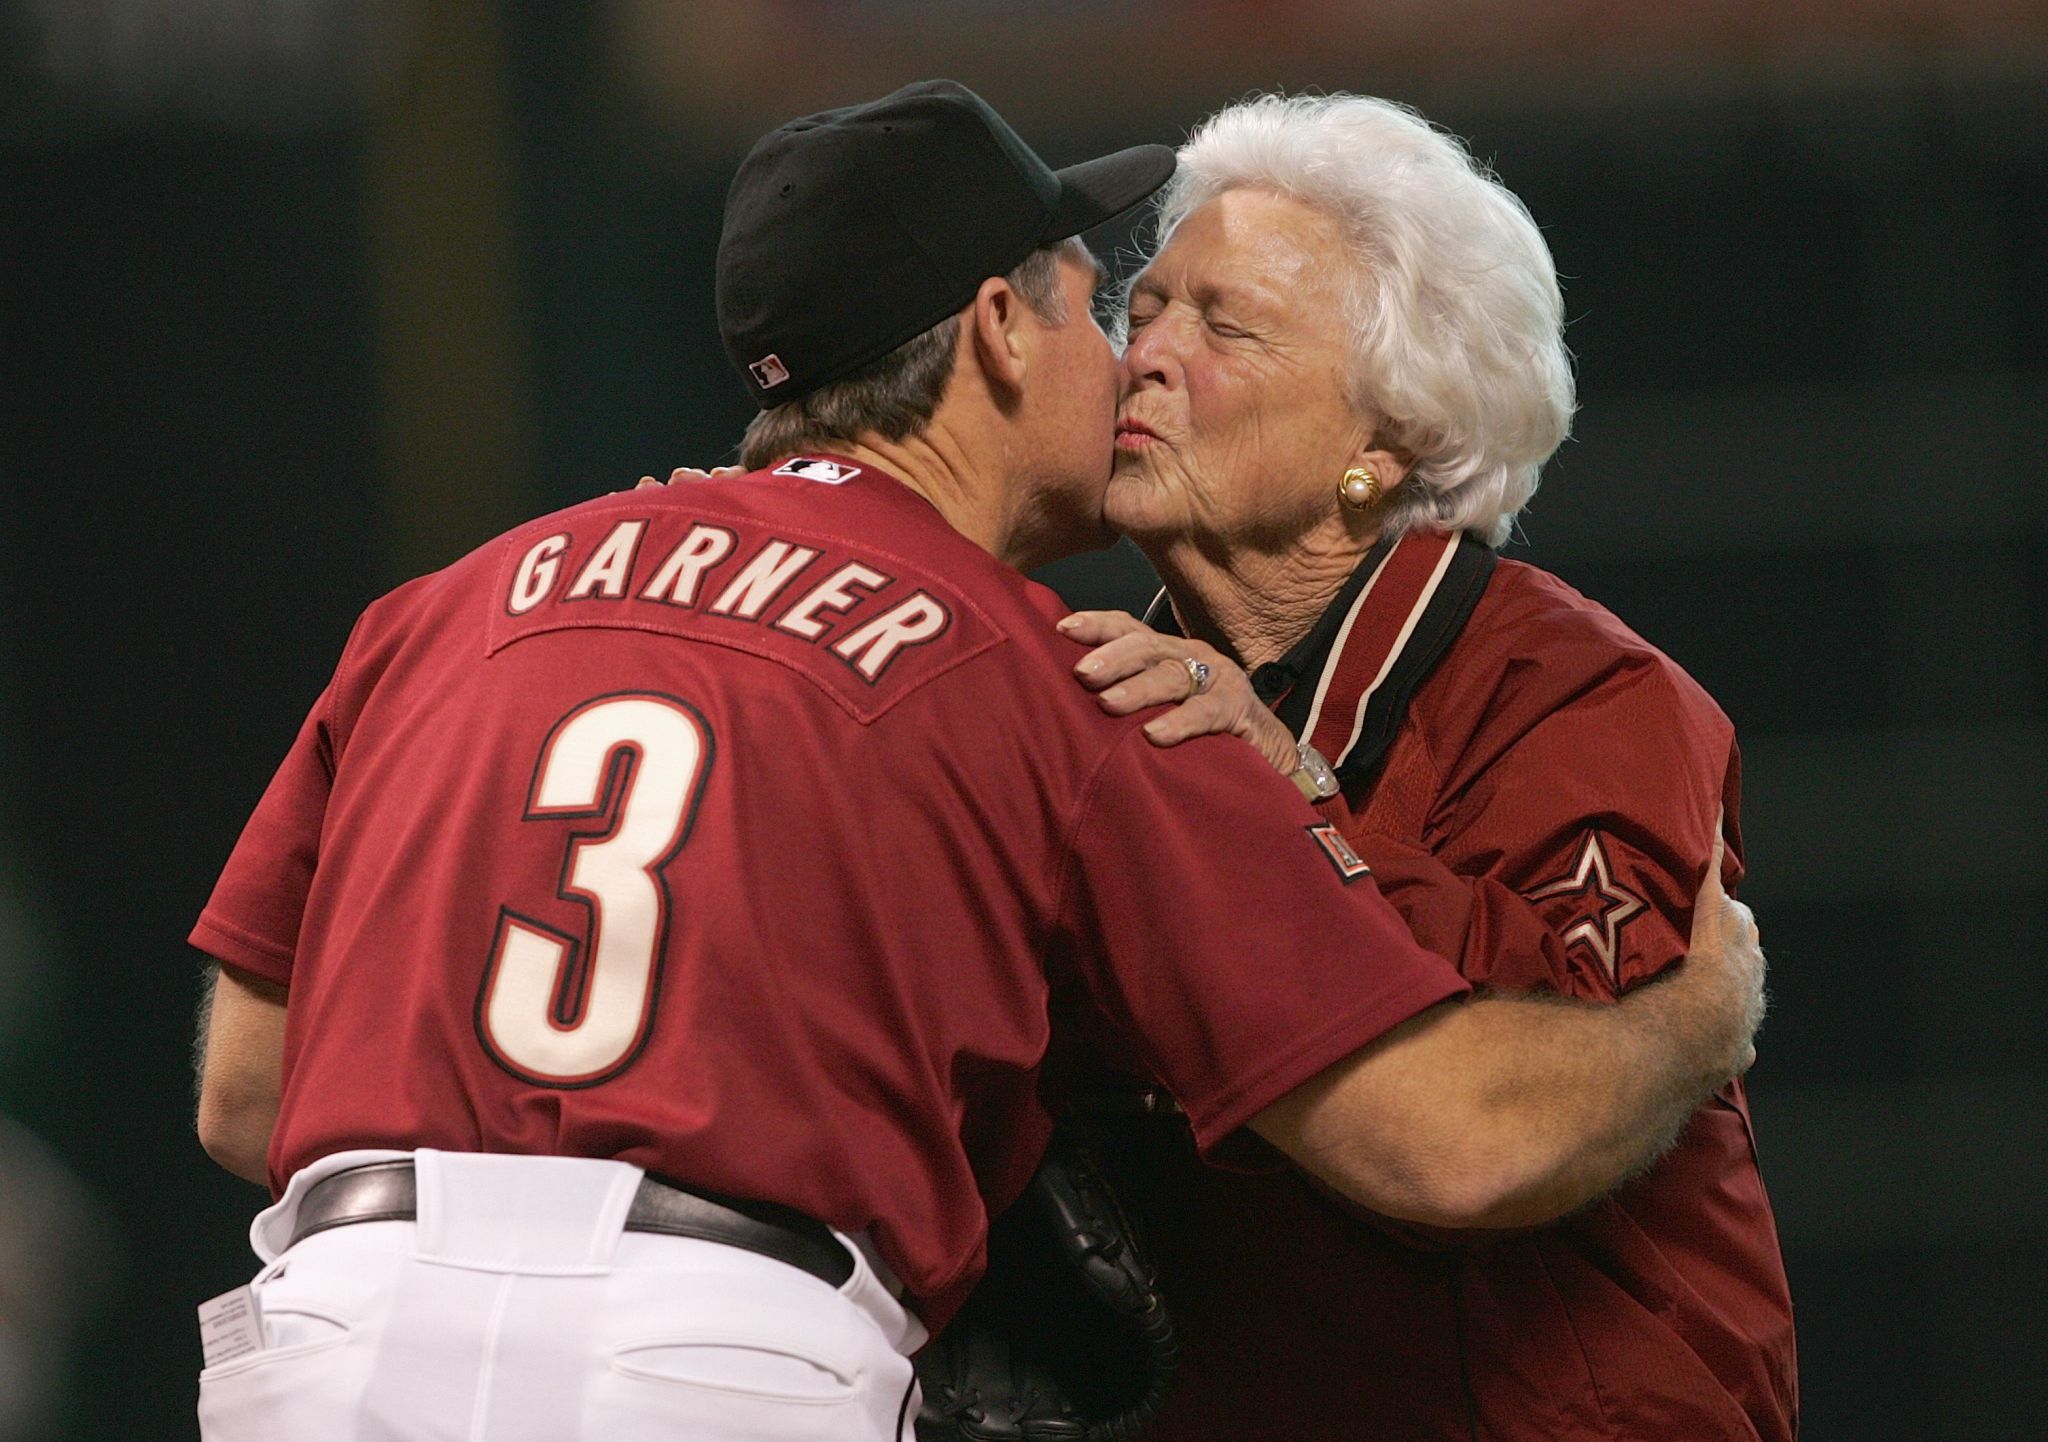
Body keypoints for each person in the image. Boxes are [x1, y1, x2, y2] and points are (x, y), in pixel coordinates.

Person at [190, 82, 1763, 1442]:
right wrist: (1698, 1016)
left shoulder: (460, 602)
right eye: (1114, 303)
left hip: (328, 1333)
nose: (1138, 353)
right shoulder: (1047, 672)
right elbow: (1456, 1134)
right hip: (719, 1350)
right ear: (1002, 329)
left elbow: (248, 1095)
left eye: (1212, 323)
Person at [1051, 93, 1796, 1440]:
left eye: (1223, 325)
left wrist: (1294, 803)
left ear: (1382, 444)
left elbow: (1545, 1077)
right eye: (1142, 309)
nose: (1143, 357)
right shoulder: (1091, 695)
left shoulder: (1577, 693)